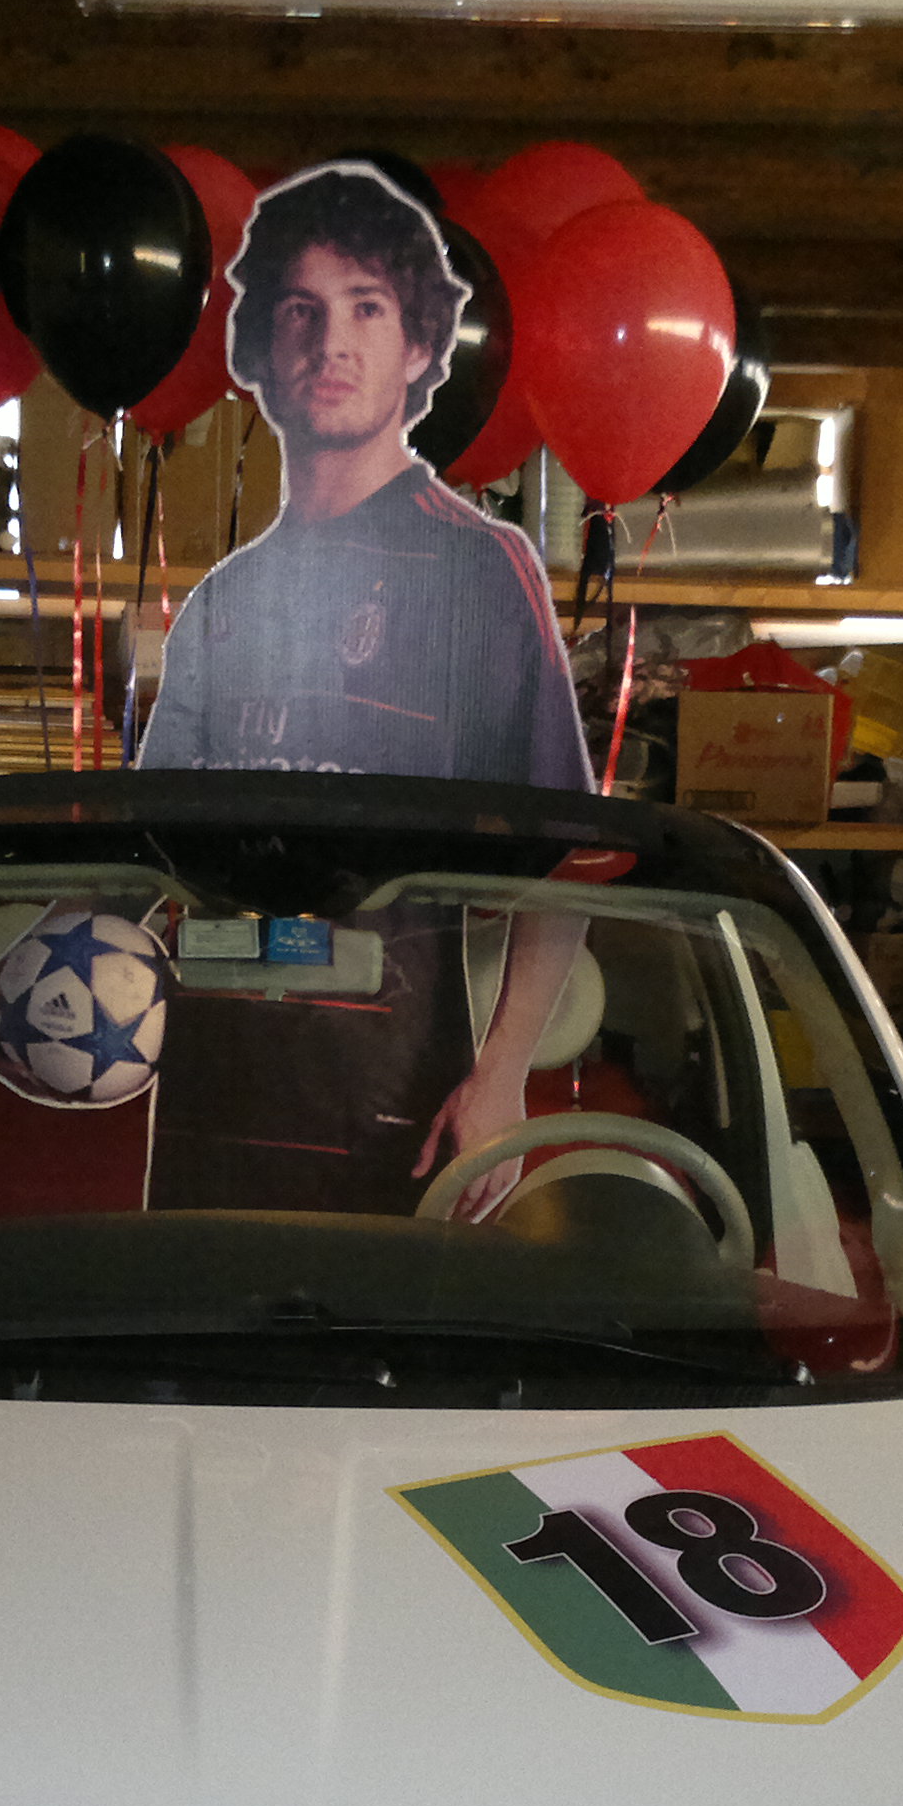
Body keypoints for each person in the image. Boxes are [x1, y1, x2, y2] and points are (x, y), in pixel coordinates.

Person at [137, 161, 599, 1216]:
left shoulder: (482, 573)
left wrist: (504, 1077)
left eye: (366, 307)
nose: (330, 343)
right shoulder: (221, 603)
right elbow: (146, 859)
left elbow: (567, 859)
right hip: (208, 1121)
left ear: (421, 346)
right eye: (300, 310)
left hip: (400, 1126)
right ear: (261, 351)